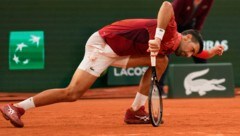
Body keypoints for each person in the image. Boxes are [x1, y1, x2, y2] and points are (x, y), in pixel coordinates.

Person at [0, 1, 224, 128]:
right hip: (104, 45)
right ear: (185, 37)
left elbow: (188, 50)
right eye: (192, 49)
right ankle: (18, 107)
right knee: (72, 93)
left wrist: (208, 52)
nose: (189, 55)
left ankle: (135, 111)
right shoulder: (172, 32)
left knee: (162, 61)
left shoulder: (173, 48)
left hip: (121, 51)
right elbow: (166, 5)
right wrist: (157, 37)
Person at [159, 0, 215, 97]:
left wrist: (196, 35)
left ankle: (208, 84)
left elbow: (202, 17)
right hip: (172, 26)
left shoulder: (209, 1)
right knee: (165, 57)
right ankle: (159, 88)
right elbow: (172, 14)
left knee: (198, 51)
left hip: (188, 28)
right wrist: (172, 37)